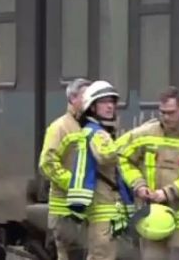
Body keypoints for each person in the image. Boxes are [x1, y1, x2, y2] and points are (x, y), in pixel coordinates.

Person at [120, 86, 179, 260]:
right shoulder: (145, 134)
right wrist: (139, 184)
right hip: (153, 216)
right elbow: (122, 156)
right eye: (162, 112)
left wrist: (167, 193)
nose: (165, 117)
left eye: (170, 112)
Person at [66, 80, 127, 260]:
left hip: (106, 213)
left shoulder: (99, 131)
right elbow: (107, 155)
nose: (110, 106)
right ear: (92, 107)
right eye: (104, 102)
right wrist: (130, 141)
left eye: (112, 102)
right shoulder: (96, 132)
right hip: (102, 213)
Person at [39, 78, 91, 260]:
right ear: (72, 99)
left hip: (85, 210)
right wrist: (76, 184)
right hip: (65, 213)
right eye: (86, 96)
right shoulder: (60, 127)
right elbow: (47, 164)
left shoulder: (89, 126)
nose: (90, 100)